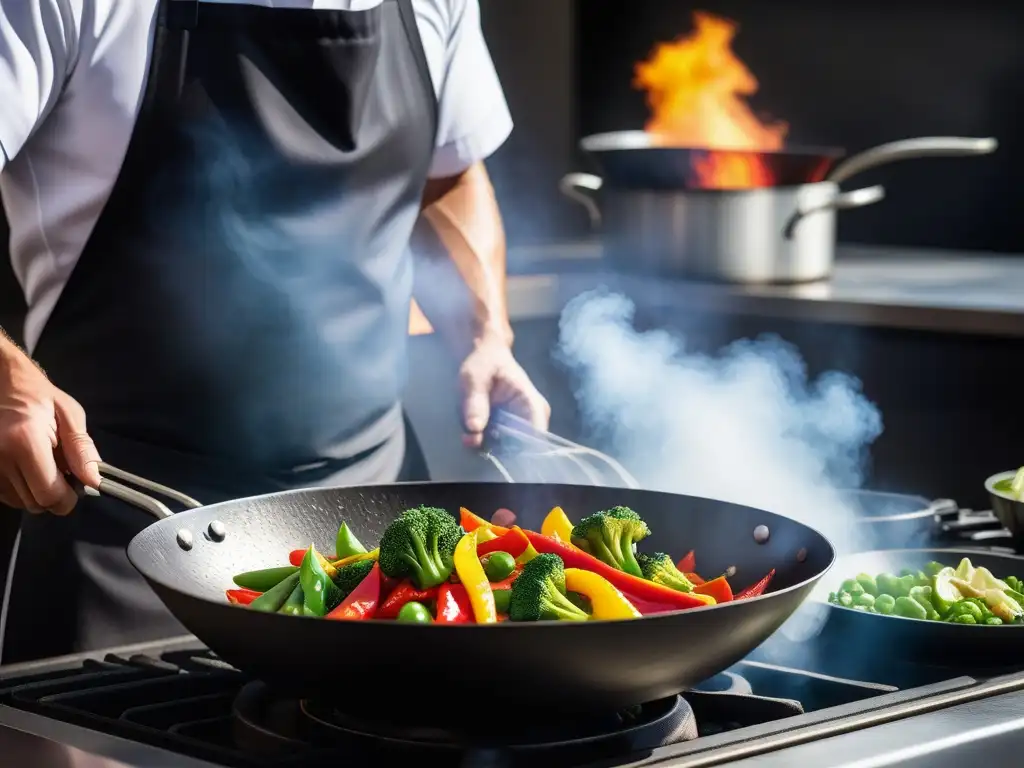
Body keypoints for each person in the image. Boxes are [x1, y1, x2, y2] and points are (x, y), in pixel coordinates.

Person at [0, 0, 550, 661]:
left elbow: (450, 172)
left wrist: (488, 333)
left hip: (376, 534)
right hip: (122, 526)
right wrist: (8, 381)